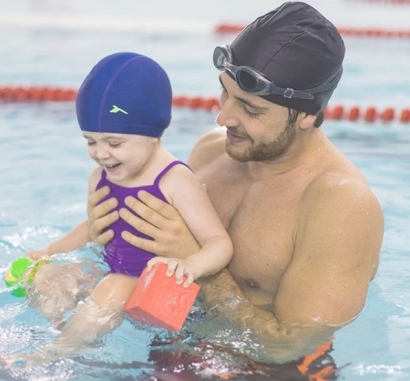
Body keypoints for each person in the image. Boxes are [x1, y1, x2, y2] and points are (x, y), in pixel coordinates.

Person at [87, 1, 384, 366]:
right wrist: (104, 227)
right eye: (224, 92)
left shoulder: (339, 206)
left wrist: (198, 264)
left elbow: (289, 346)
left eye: (251, 108)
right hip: (176, 345)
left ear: (307, 115)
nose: (223, 116)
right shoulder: (213, 152)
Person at [23, 52, 233, 351]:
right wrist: (49, 251)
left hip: (160, 294)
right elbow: (95, 226)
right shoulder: (100, 177)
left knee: (115, 285)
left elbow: (219, 243)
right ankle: (57, 332)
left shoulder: (174, 180)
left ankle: (56, 353)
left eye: (114, 143)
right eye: (90, 141)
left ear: (152, 133)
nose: (100, 153)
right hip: (113, 277)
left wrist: (189, 265)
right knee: (51, 275)